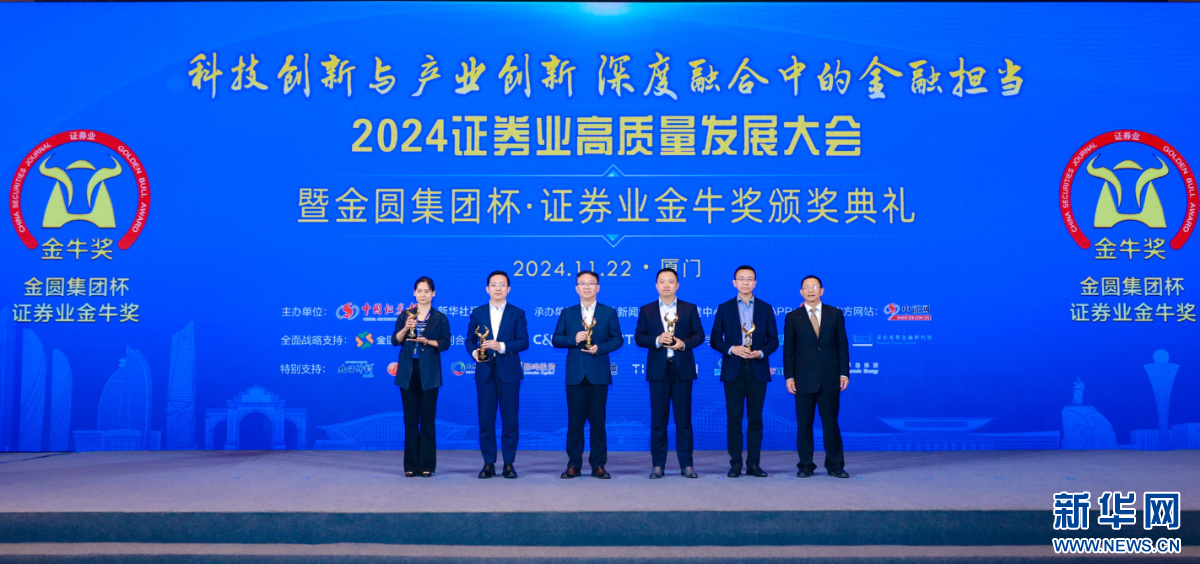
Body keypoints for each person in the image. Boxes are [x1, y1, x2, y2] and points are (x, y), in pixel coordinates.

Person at [634, 268, 705, 479]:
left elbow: (699, 335)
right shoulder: (647, 310)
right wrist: (657, 340)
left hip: (682, 370)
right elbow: (639, 337)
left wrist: (683, 344)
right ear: (656, 285)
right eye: (662, 281)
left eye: (671, 281)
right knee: (658, 421)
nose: (666, 285)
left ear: (677, 285)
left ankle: (687, 465)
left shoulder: (689, 308)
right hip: (658, 371)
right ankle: (658, 465)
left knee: (684, 421)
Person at [551, 271, 622, 479]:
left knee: (598, 422)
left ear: (598, 287)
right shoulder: (568, 313)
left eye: (591, 283)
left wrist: (600, 348)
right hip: (575, 375)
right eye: (583, 283)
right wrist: (573, 339)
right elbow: (556, 339)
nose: (587, 287)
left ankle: (598, 464)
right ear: (577, 288)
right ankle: (573, 464)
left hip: (598, 373)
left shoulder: (608, 312)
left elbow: (618, 339)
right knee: (575, 423)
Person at [710, 265, 778, 478]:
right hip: (733, 370)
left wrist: (760, 352)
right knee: (734, 420)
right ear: (734, 283)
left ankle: (754, 464)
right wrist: (733, 349)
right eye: (741, 278)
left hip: (758, 370)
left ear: (755, 283)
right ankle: (736, 463)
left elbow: (774, 340)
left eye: (749, 279)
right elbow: (715, 340)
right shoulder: (724, 308)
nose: (745, 282)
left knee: (756, 420)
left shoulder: (766, 308)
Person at [783, 275, 850, 479]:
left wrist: (843, 372)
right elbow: (789, 350)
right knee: (804, 425)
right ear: (801, 292)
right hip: (803, 379)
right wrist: (789, 377)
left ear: (822, 290)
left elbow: (842, 345)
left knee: (831, 424)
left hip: (830, 378)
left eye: (814, 287)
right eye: (806, 287)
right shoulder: (792, 317)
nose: (810, 290)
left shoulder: (835, 314)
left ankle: (835, 465)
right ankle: (805, 465)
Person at [465, 270, 529, 479]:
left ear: (508, 289)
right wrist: (475, 353)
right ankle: (488, 463)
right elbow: (469, 340)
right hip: (485, 373)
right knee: (486, 420)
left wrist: (501, 346)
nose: (498, 288)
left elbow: (524, 342)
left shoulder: (517, 313)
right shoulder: (478, 312)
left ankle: (509, 463)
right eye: (494, 284)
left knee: (510, 419)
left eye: (502, 285)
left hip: (509, 373)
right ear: (487, 289)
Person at [391, 276, 451, 478]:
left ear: (433, 293)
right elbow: (395, 340)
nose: (423, 294)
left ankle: (426, 465)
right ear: (414, 293)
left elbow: (445, 343)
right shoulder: (405, 315)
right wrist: (406, 327)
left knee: (427, 419)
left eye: (427, 291)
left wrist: (427, 341)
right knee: (410, 419)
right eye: (419, 291)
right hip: (408, 371)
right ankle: (410, 465)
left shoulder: (440, 318)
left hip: (429, 372)